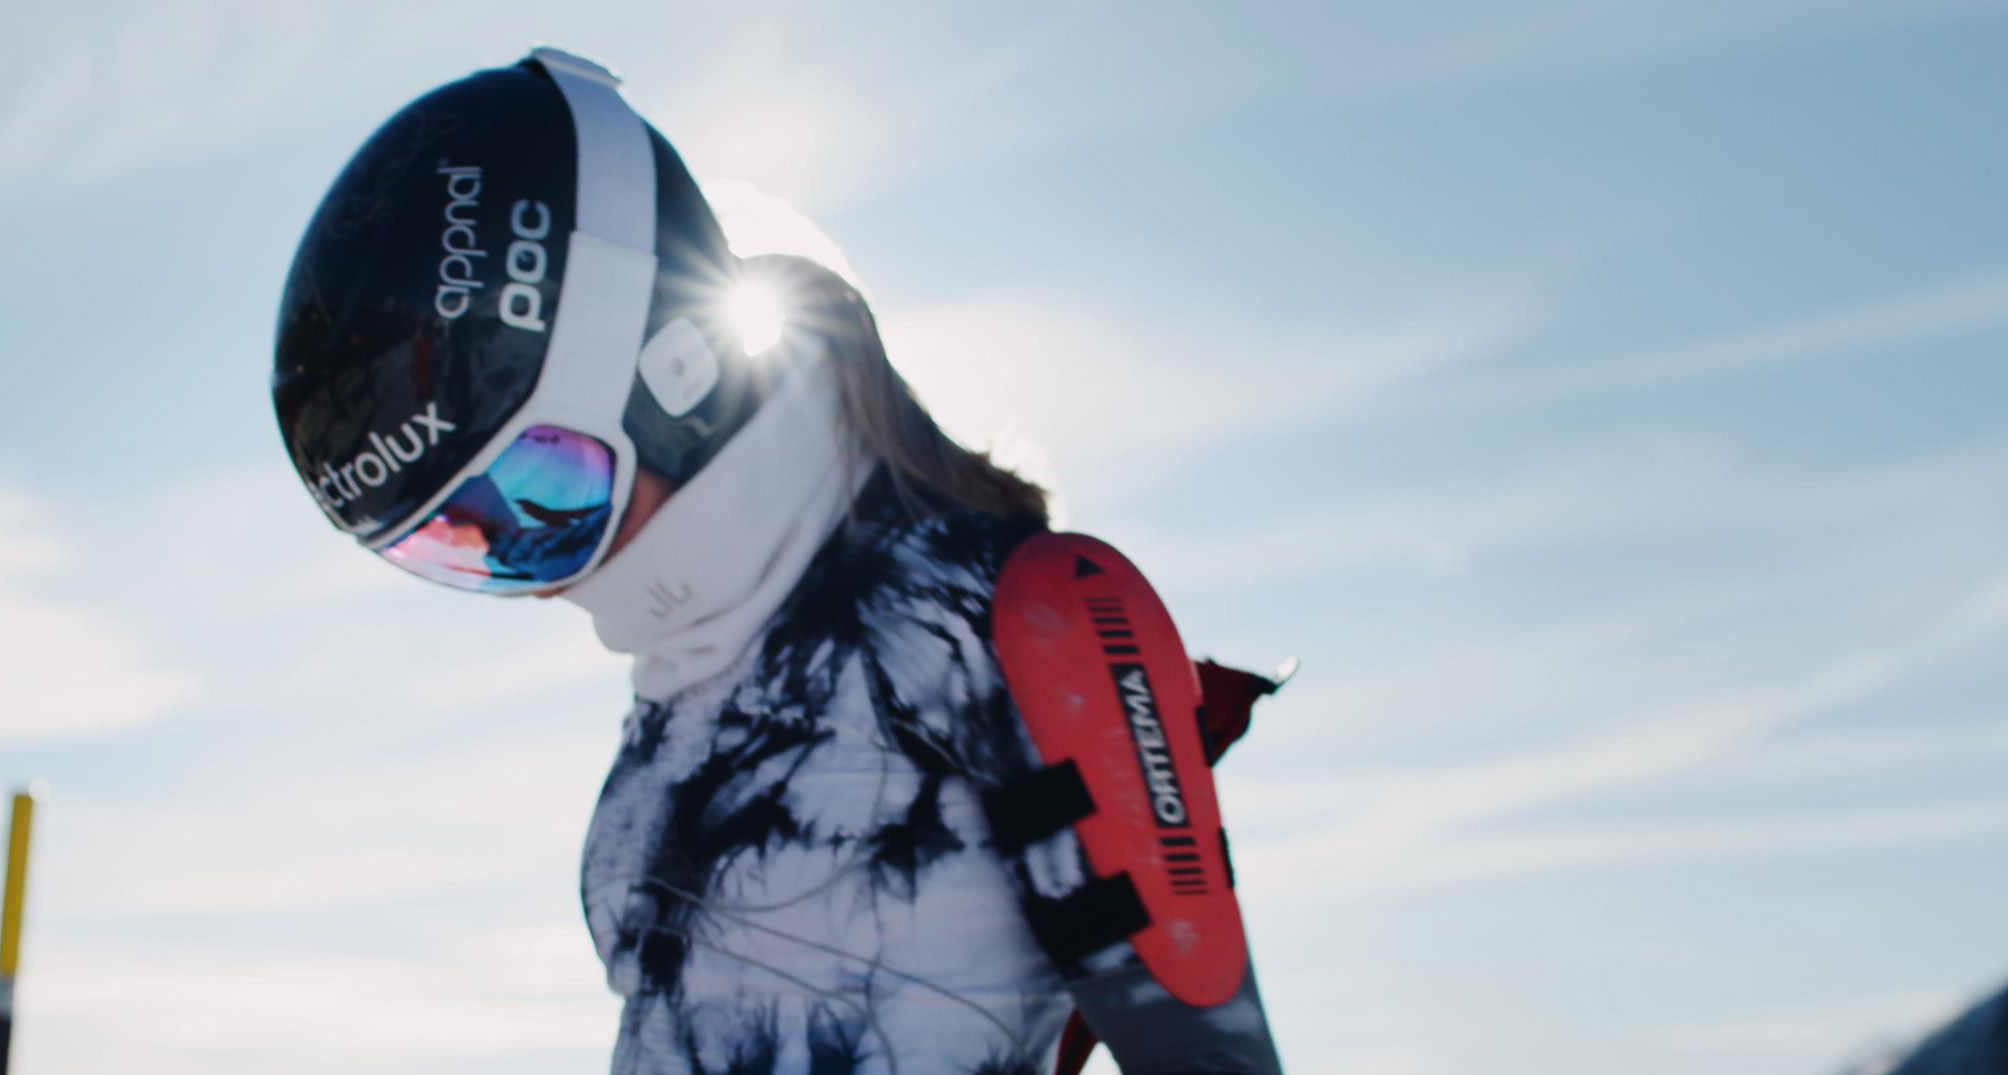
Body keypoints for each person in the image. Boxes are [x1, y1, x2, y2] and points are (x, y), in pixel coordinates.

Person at [271, 48, 1283, 1074]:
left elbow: (1206, 1052)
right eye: (467, 545)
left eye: (548, 489)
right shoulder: (680, 687)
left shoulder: (1014, 614)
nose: (550, 579)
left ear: (674, 373)